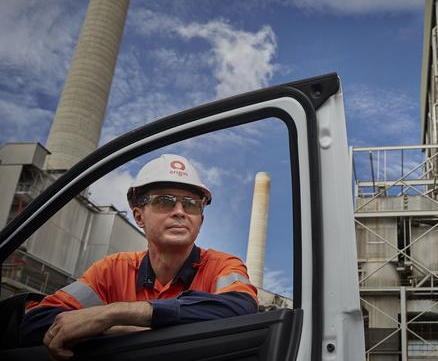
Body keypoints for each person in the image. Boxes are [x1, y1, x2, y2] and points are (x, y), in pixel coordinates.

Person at [19, 154, 258, 359]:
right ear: (139, 217)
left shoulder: (222, 266)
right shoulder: (112, 270)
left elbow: (241, 308)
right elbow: (35, 322)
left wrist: (113, 314)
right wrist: (106, 330)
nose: (179, 212)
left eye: (191, 204)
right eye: (164, 201)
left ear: (200, 221)